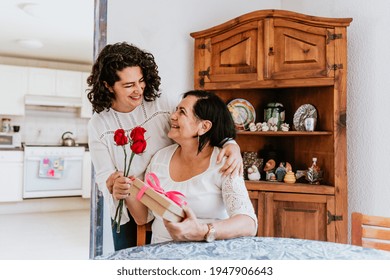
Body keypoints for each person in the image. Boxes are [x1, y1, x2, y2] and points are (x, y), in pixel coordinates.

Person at [87, 42, 244, 250]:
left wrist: (230, 143)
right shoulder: (99, 125)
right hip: (132, 206)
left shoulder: (161, 103)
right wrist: (113, 183)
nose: (138, 90)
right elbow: (103, 175)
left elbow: (198, 123)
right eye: (128, 85)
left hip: (170, 195)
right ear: (108, 86)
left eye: (141, 81)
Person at [116, 90, 257, 244]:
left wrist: (202, 231)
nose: (173, 116)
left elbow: (248, 224)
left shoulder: (224, 162)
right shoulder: (159, 159)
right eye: (176, 109)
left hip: (207, 256)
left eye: (182, 112)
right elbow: (142, 218)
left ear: (204, 126)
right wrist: (126, 190)